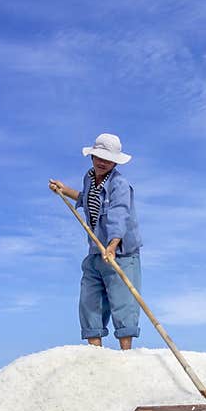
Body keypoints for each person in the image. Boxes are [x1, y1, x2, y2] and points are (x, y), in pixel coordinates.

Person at [48, 133, 142, 350]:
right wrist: (63, 190)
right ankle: (94, 353)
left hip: (121, 252)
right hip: (96, 251)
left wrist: (112, 245)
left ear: (115, 161)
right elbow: (85, 199)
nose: (102, 162)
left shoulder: (120, 184)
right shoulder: (89, 178)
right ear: (92, 157)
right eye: (99, 157)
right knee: (90, 302)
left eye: (107, 159)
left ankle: (126, 355)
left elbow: (119, 214)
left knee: (123, 302)